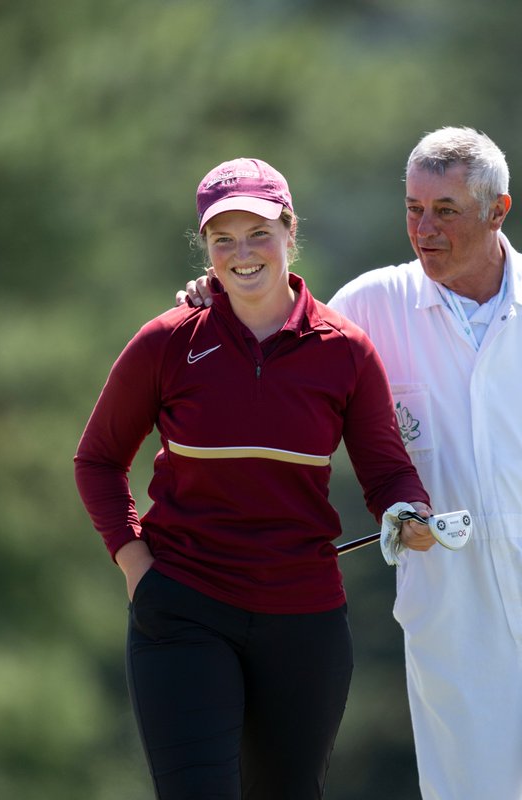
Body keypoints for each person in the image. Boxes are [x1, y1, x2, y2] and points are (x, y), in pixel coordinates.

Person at [178, 130, 522, 800]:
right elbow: (277, 354)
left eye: (445, 210)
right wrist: (222, 310)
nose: (424, 229)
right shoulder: (372, 305)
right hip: (453, 615)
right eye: (413, 208)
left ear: (498, 211)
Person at [75, 156, 433, 800]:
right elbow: (98, 459)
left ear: (291, 234)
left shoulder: (344, 349)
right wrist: (134, 563)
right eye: (223, 239)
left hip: (304, 618)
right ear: (206, 248)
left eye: (259, 232)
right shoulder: (168, 341)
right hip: (182, 607)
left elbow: (386, 470)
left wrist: (410, 512)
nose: (243, 253)